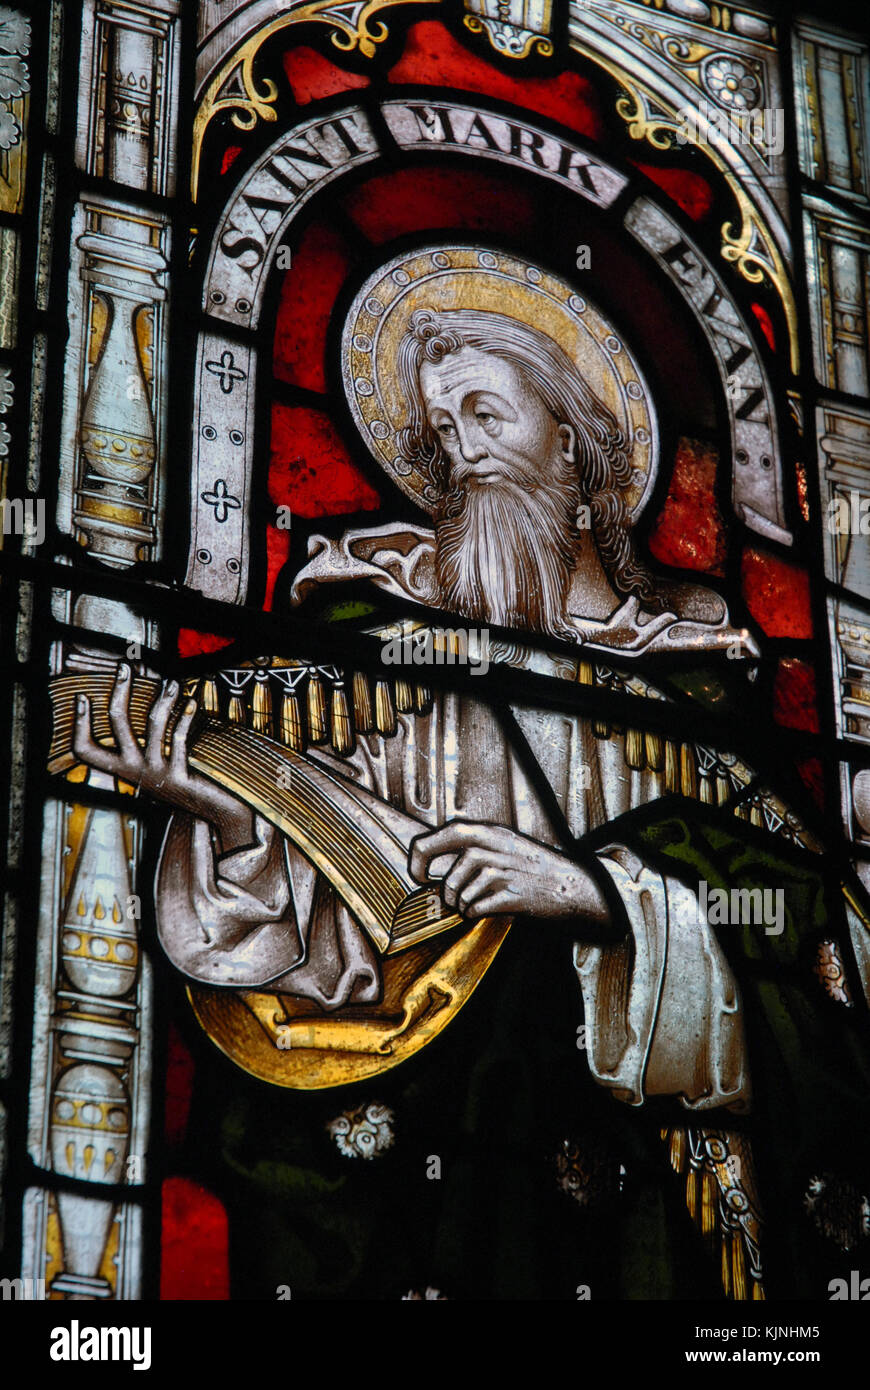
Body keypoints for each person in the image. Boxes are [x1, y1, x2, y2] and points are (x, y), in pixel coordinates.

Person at [71, 308, 870, 1299]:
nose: (467, 454)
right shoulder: (370, 636)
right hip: (443, 1157)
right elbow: (340, 924)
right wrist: (238, 822)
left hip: (622, 1185)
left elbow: (818, 929)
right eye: (445, 433)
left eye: (489, 415)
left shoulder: (692, 680)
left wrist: (604, 898)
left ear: (572, 439)